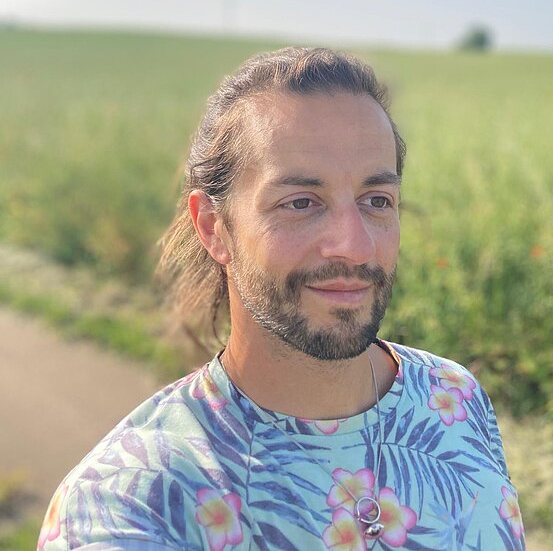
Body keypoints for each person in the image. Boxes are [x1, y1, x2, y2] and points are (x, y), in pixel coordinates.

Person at [39, 47, 525, 550]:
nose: (356, 246)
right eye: (300, 203)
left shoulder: (454, 396)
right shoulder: (127, 504)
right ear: (214, 227)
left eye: (377, 200)